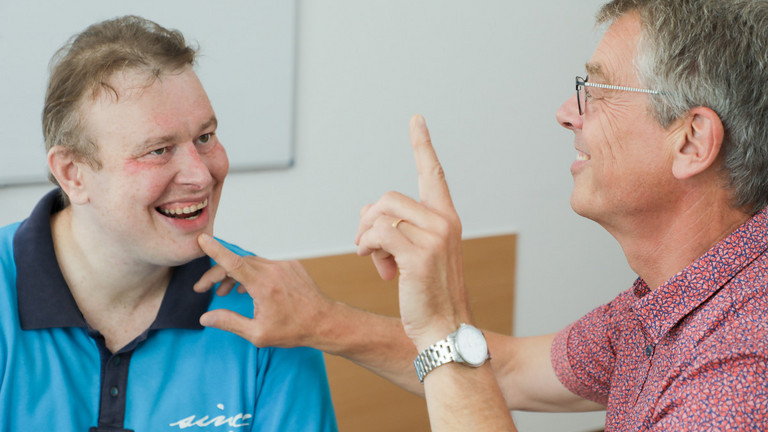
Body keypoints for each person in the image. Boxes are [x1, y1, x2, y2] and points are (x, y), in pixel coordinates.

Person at [194, 0, 768, 430]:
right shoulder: (676, 299)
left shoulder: (742, 374)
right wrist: (318, 320)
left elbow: (461, 357)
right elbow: (512, 369)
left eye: (596, 88)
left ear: (691, 142)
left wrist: (446, 319)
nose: (568, 112)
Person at [0, 16, 337, 432]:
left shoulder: (266, 307)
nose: (201, 175)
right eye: (158, 150)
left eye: (205, 137)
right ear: (73, 173)